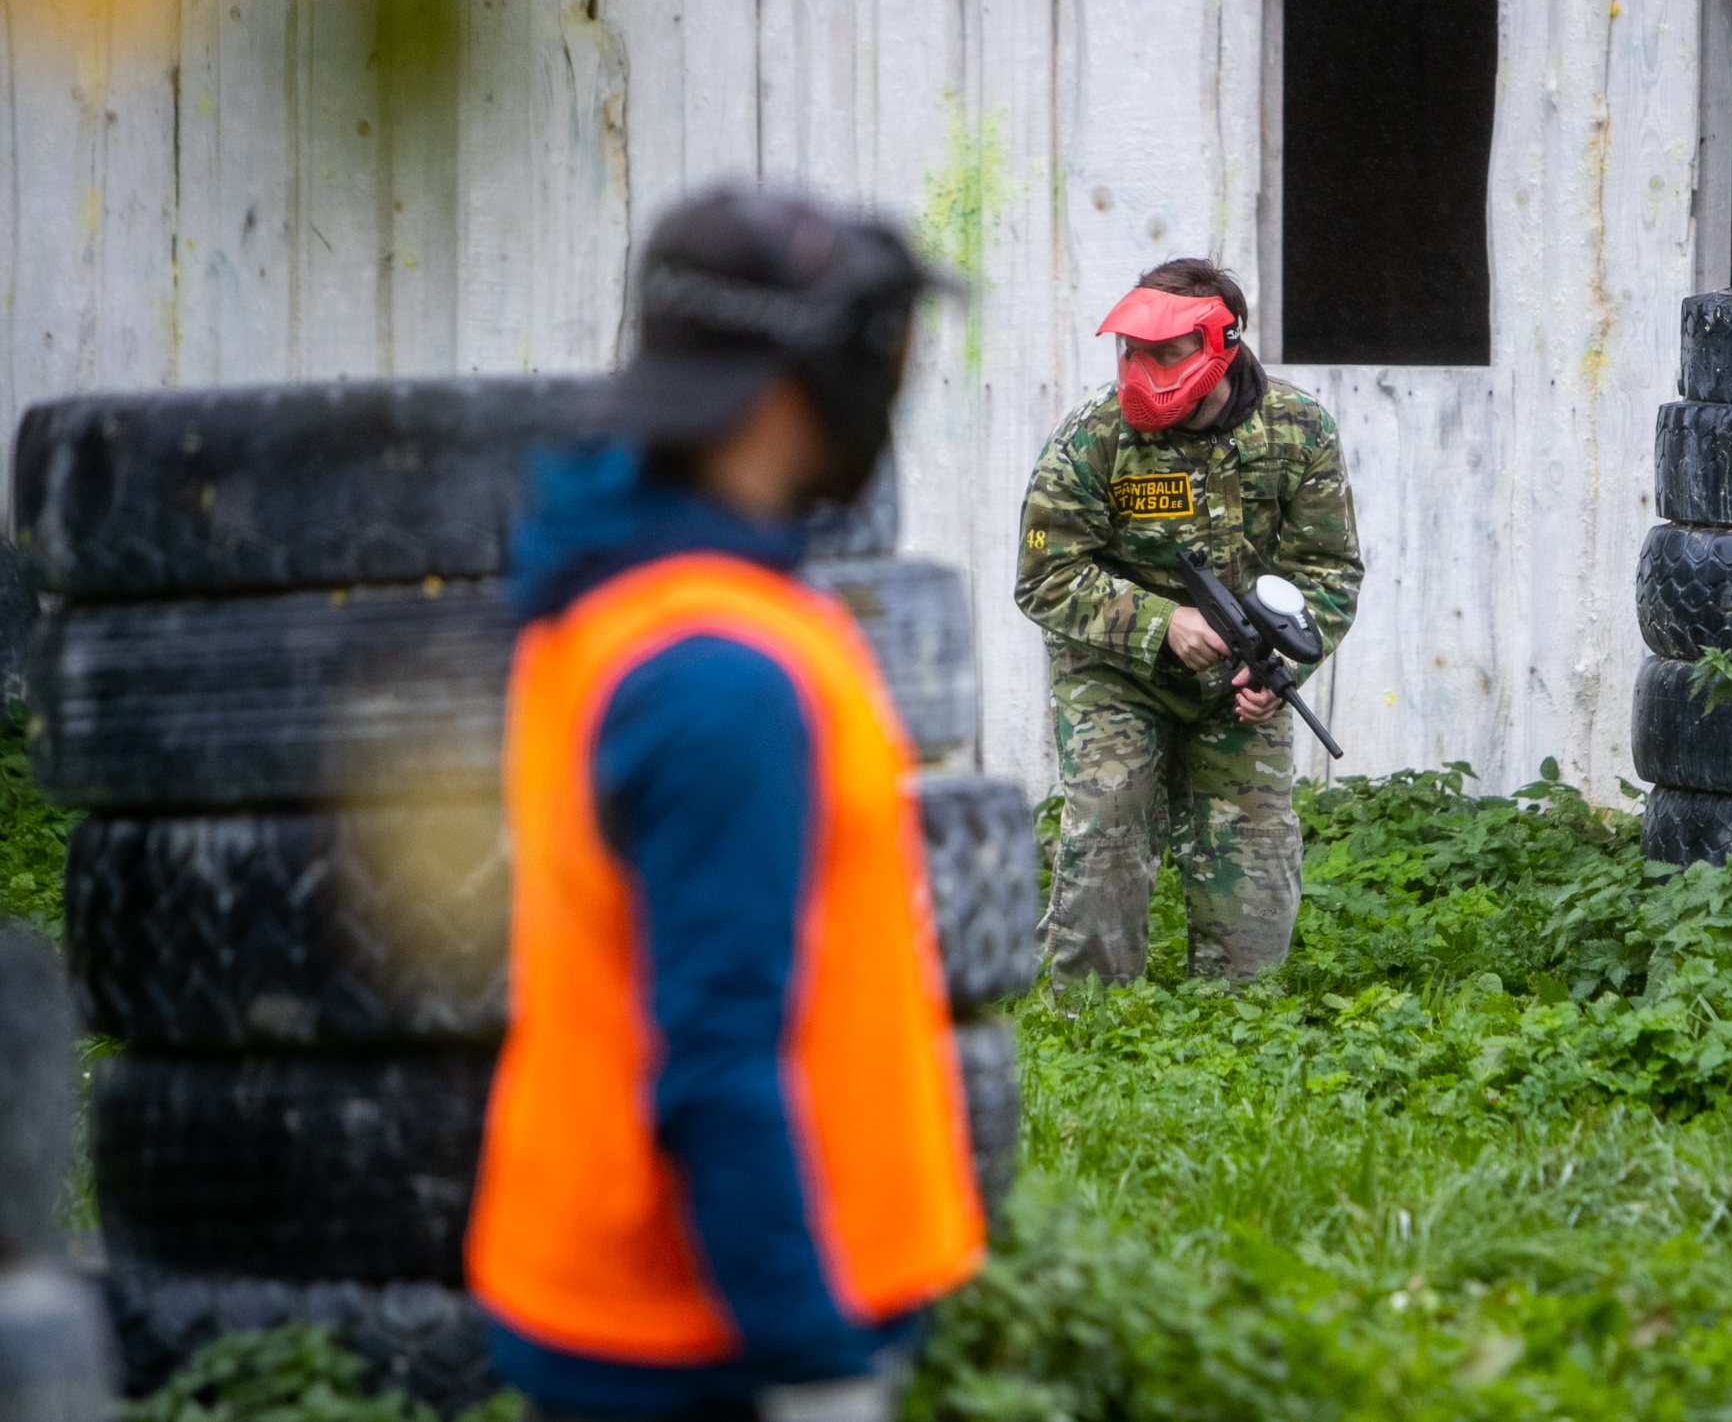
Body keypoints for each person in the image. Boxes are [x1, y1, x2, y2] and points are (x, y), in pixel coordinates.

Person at [465, 190, 983, 1422]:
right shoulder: (721, 672)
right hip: (709, 1339)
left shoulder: (622, 594)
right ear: (781, 394)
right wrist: (812, 1359)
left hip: (644, 1298)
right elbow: (714, 1056)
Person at [1015, 259, 1363, 985]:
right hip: (1114, 670)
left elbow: (1328, 571)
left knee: (1255, 878)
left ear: (1221, 345)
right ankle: (1091, 1020)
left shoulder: (1298, 430)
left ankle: (1235, 1020)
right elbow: (1044, 574)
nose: (1143, 370)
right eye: (1132, 351)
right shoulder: (1094, 435)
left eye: (1165, 353)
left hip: (1238, 675)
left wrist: (1277, 668)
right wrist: (1160, 621)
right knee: (1107, 830)